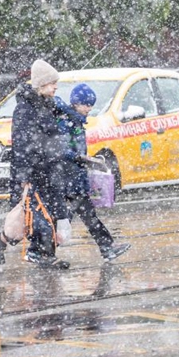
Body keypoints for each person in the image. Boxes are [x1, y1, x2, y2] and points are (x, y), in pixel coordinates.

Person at [0, 59, 71, 268]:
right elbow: (22, 144)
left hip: (48, 170)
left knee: (45, 214)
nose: (56, 87)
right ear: (41, 84)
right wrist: (24, 176)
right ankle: (43, 256)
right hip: (34, 171)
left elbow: (50, 139)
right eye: (53, 83)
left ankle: (1, 240)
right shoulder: (26, 109)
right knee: (39, 216)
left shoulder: (47, 105)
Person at [54, 83, 131, 261]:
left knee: (81, 216)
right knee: (67, 219)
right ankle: (42, 250)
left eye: (91, 105)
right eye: (86, 104)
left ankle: (107, 247)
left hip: (74, 177)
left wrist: (84, 159)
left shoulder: (76, 120)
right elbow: (62, 149)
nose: (89, 108)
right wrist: (81, 158)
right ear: (76, 103)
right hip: (68, 177)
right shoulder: (68, 121)